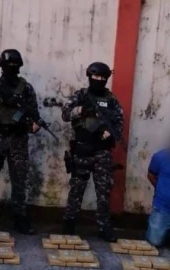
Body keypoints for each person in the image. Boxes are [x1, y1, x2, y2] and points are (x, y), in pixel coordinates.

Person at [0, 49, 41, 235]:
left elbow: (33, 113)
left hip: (19, 140)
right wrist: (1, 100)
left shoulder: (26, 88)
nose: (12, 69)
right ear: (2, 67)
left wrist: (33, 125)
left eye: (15, 66)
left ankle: (20, 219)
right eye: (9, 65)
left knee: (20, 182)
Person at [61, 62, 125, 242]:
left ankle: (104, 227)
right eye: (95, 77)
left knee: (103, 191)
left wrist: (110, 132)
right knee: (76, 189)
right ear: (89, 77)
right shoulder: (81, 95)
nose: (98, 80)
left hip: (102, 152)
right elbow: (65, 114)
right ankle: (69, 223)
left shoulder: (111, 100)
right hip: (82, 149)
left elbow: (119, 124)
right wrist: (81, 110)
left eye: (102, 78)